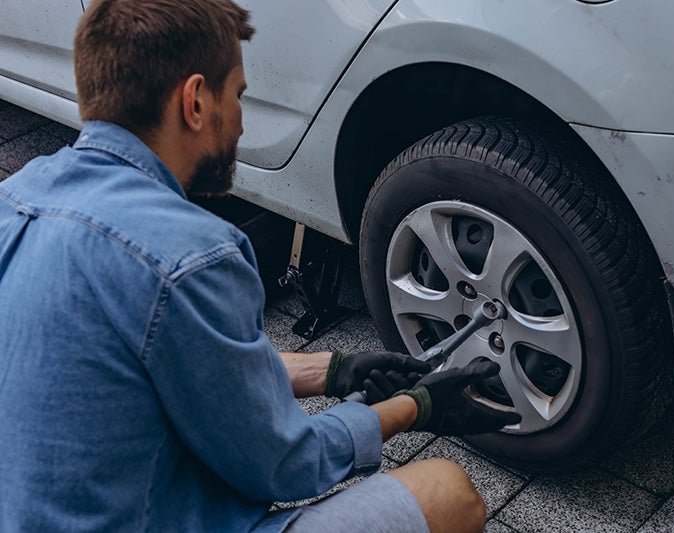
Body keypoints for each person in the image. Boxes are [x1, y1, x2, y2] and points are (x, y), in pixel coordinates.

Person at [0, 1, 520, 531]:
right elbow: (283, 465)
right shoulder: (190, 257)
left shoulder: (13, 198)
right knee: (446, 492)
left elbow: (185, 360)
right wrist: (418, 408)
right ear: (196, 102)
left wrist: (335, 371)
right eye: (239, 95)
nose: (243, 119)